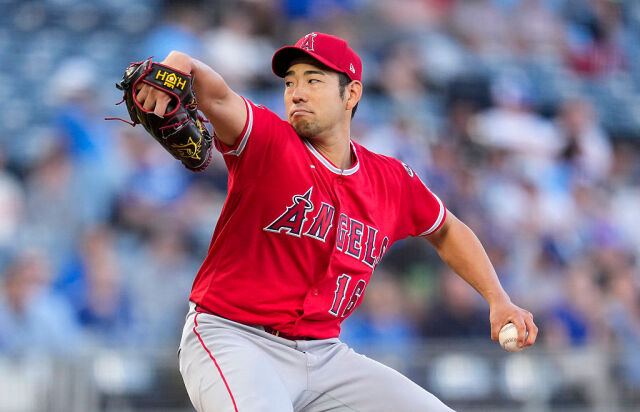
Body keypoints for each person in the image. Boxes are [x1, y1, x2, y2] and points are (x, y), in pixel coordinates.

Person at [134, 32, 538, 412]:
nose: (297, 92)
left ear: (352, 94)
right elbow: (217, 95)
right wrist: (182, 62)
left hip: (324, 354)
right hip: (233, 338)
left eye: (313, 80)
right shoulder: (268, 142)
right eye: (290, 82)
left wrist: (498, 298)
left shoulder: (391, 180)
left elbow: (446, 229)